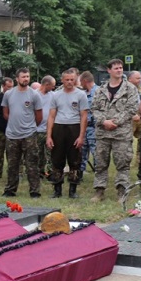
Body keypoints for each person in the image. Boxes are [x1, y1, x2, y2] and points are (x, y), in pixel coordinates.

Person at [89, 59, 139, 201]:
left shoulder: (130, 88)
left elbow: (131, 109)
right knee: (101, 162)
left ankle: (122, 191)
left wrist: (115, 122)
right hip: (103, 132)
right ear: (109, 70)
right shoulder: (100, 90)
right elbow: (94, 108)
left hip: (121, 133)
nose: (119, 70)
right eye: (116, 68)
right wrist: (104, 121)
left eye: (121, 68)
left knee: (122, 163)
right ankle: (99, 190)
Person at [46, 68, 89, 199]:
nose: (69, 82)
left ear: (75, 80)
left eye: (72, 79)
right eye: (67, 80)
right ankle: (57, 189)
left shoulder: (81, 95)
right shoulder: (55, 95)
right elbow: (51, 116)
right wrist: (49, 136)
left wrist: (81, 136)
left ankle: (72, 190)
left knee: (74, 160)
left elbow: (84, 117)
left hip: (74, 127)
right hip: (59, 127)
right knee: (57, 159)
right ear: (62, 80)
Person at [2, 68, 44, 198]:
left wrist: (29, 127)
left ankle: (34, 191)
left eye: (27, 76)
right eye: (23, 77)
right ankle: (10, 190)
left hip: (29, 134)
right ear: (17, 78)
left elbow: (39, 116)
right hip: (12, 135)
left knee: (32, 164)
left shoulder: (34, 95)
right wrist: (15, 123)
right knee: (13, 164)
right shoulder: (9, 94)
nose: (26, 79)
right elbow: (5, 113)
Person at [0, 77, 14, 178]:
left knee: (13, 153)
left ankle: (14, 172)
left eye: (12, 87)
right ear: (3, 86)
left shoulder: (16, 96)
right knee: (0, 152)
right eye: (8, 87)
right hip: (1, 129)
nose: (10, 89)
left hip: (14, 130)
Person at [35, 76, 55, 181]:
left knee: (50, 152)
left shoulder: (53, 95)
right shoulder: (34, 95)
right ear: (46, 84)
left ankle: (51, 173)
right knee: (38, 153)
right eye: (52, 85)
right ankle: (39, 172)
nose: (53, 87)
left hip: (49, 129)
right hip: (37, 130)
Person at [79, 70, 98, 181]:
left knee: (96, 153)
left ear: (85, 81)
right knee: (81, 152)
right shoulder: (83, 93)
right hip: (83, 127)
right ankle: (79, 175)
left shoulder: (99, 92)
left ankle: (99, 176)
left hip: (95, 127)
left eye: (80, 81)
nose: (80, 84)